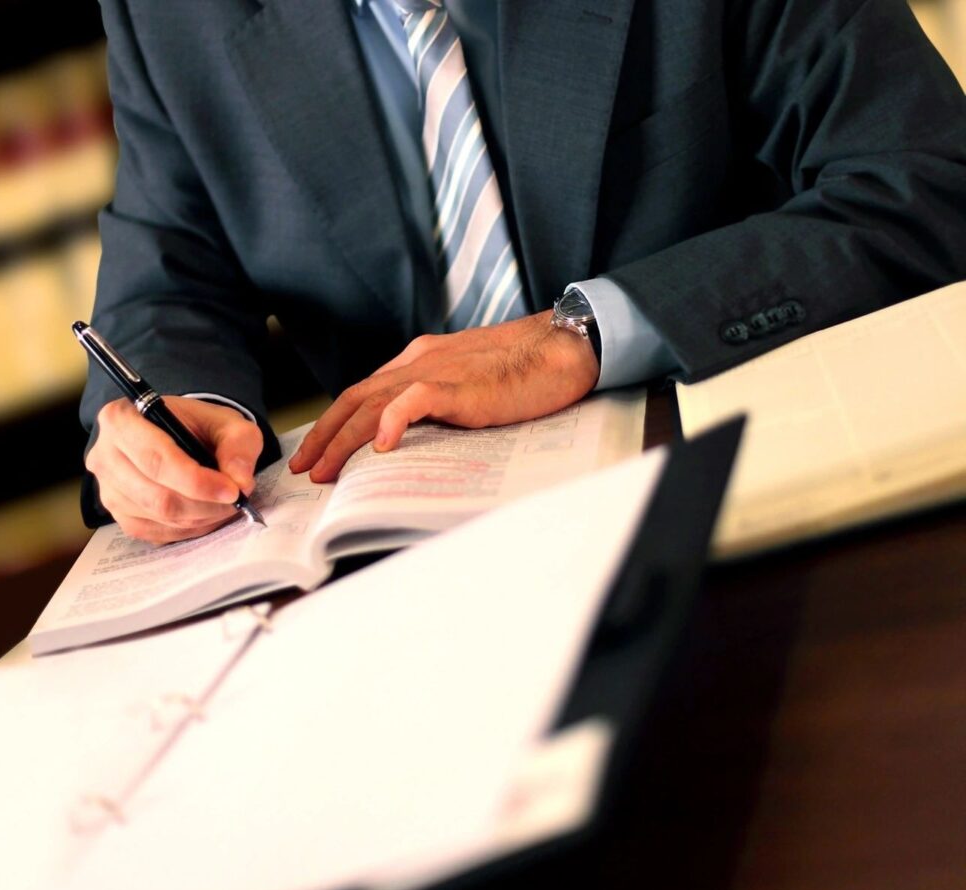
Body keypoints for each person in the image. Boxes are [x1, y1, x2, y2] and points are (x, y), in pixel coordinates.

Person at [80, 0, 966, 543]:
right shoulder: (167, 12)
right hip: (408, 564)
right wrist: (182, 416)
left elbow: (927, 182)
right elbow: (168, 275)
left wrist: (584, 333)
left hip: (738, 489)